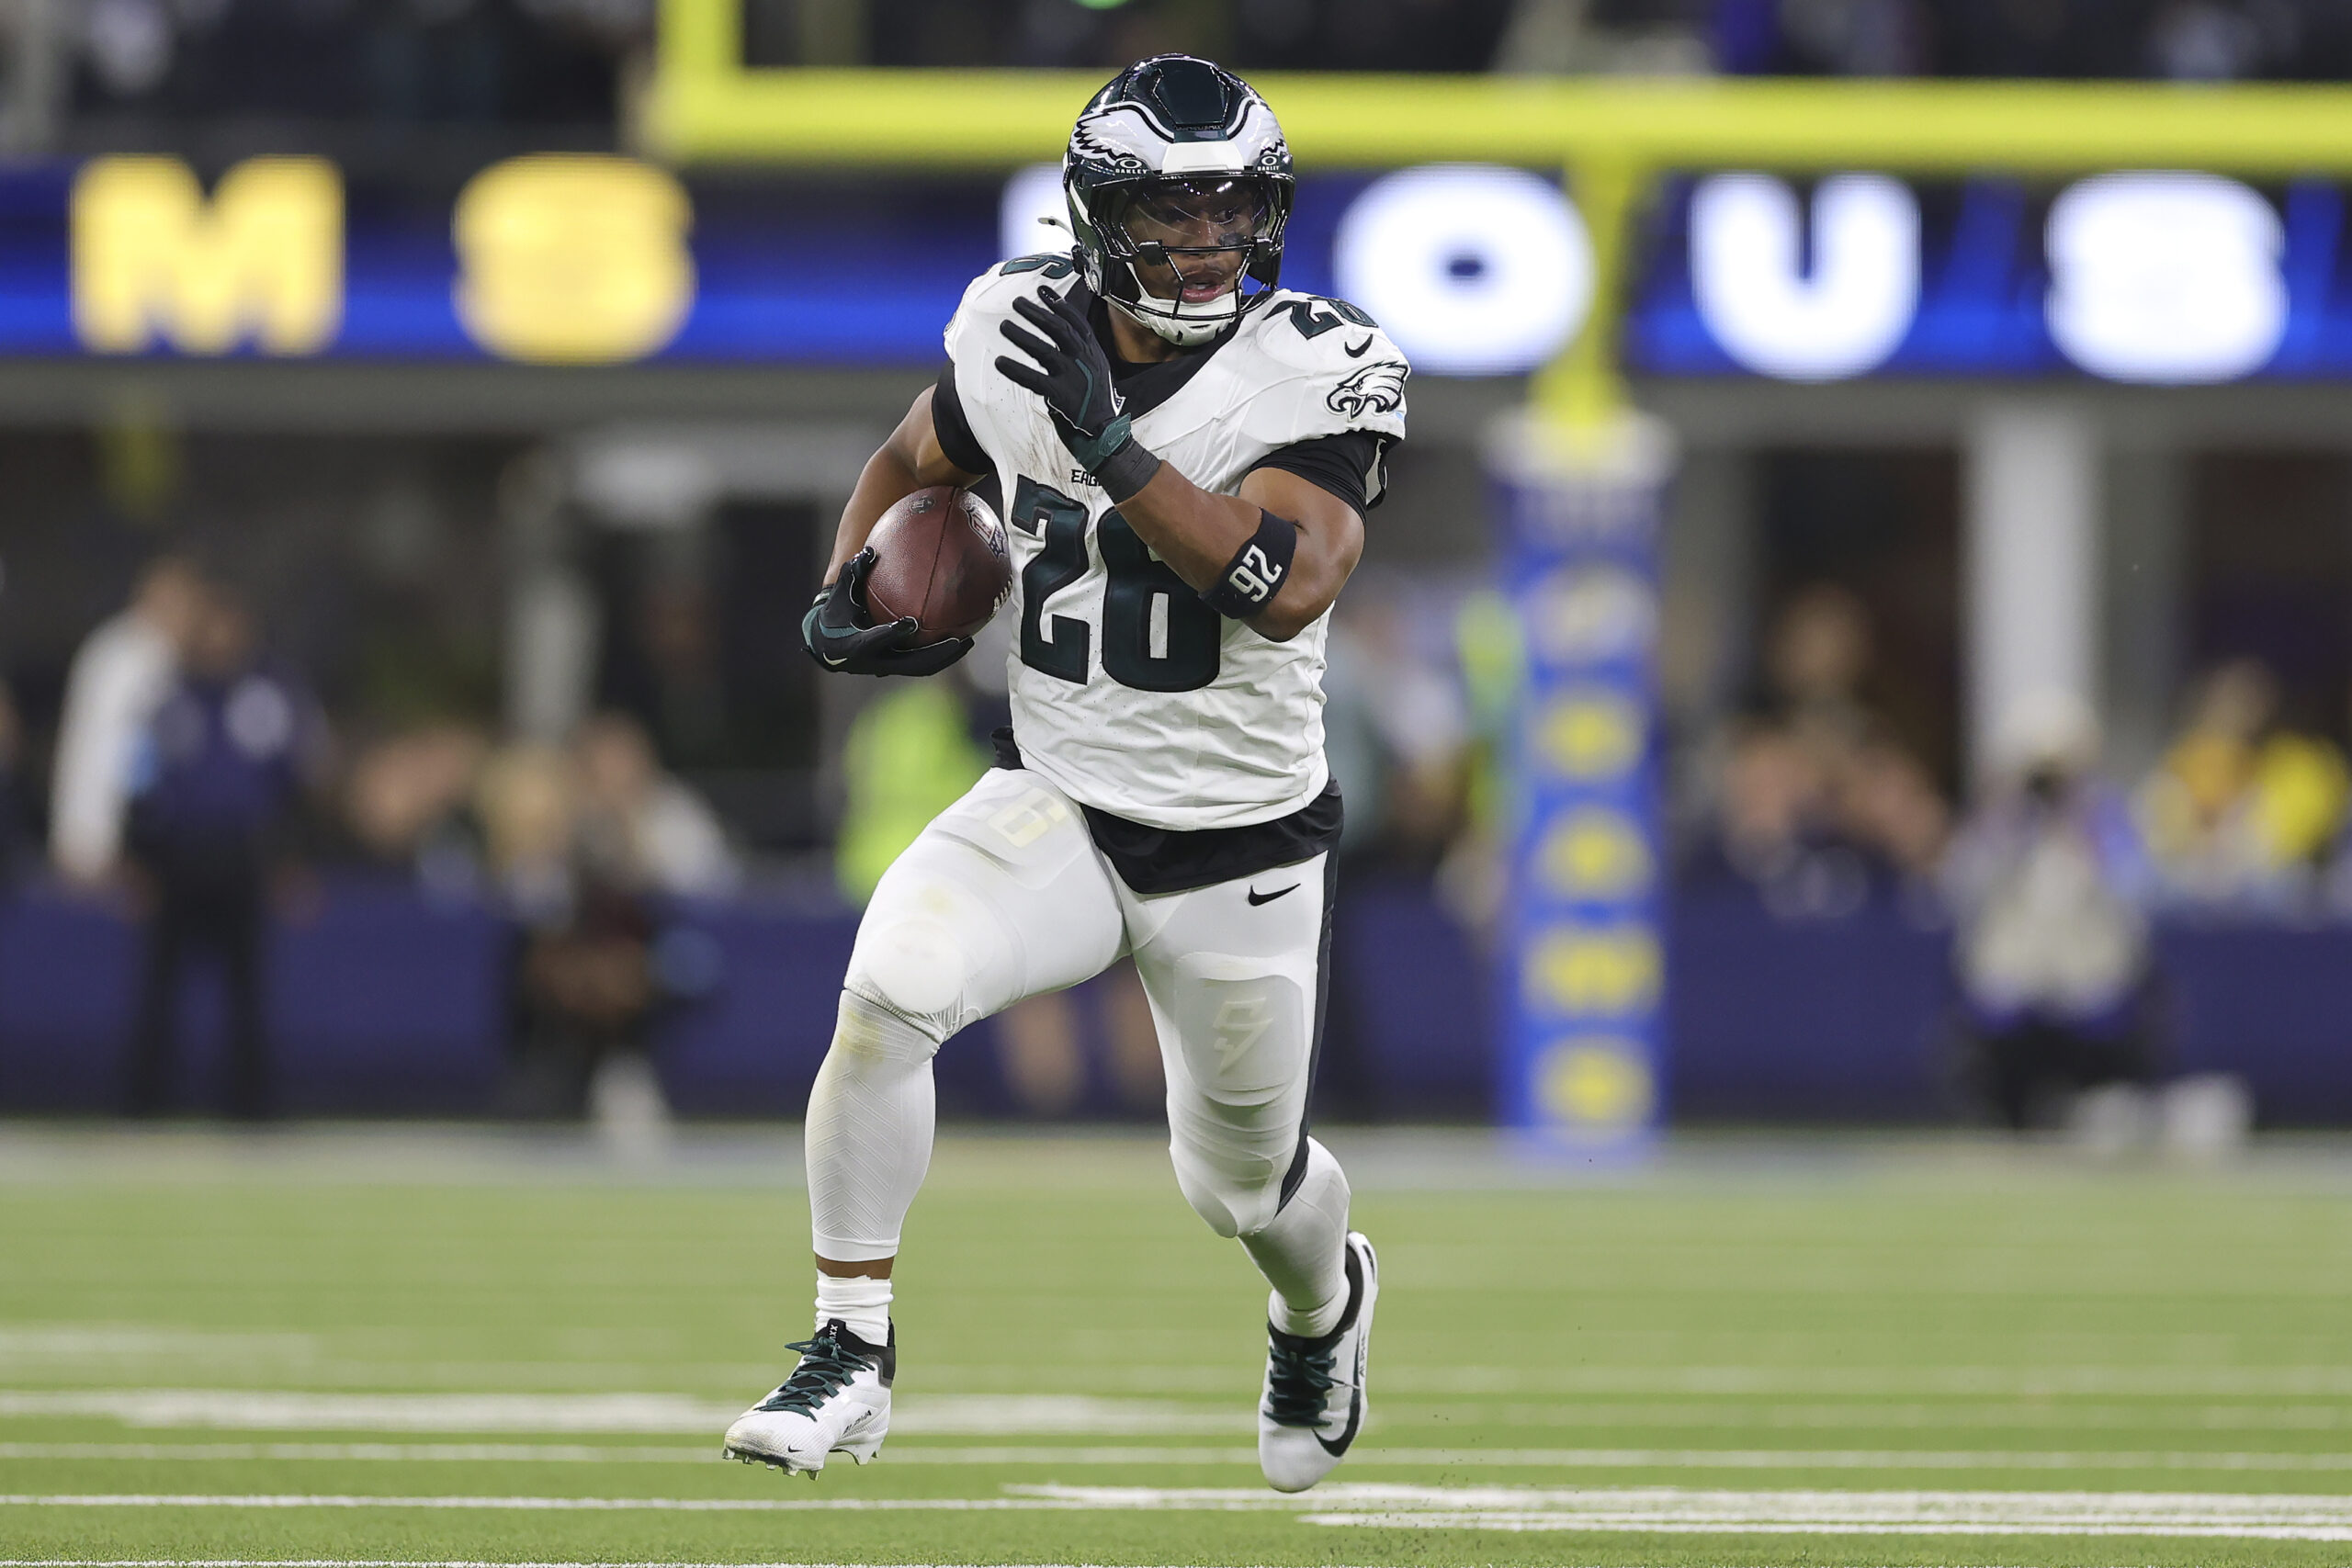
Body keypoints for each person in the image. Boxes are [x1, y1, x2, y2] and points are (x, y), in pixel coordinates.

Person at [724, 55, 1406, 1495]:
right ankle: (851, 1341)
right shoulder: (1009, 323)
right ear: (1097, 218)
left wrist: (1113, 445)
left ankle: (1323, 1300)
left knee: (1239, 1187)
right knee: (891, 986)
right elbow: (916, 456)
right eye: (1173, 210)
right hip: (1064, 794)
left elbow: (1282, 582)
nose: (1211, 242)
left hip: (1241, 839)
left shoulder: (1323, 362)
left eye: (1235, 208)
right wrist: (861, 585)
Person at [121, 586, 319, 1119]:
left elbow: (294, 785)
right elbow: (140, 782)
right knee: (161, 988)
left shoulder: (268, 699)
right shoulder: (168, 702)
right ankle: (146, 1104)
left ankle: (251, 1107)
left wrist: (291, 860)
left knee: (248, 989)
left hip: (244, 858)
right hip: (179, 859)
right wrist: (137, 857)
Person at [51, 557, 204, 888]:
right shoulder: (135, 657)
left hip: (100, 841)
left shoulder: (123, 646)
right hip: (108, 848)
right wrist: (105, 846)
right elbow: (113, 758)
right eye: (186, 602)